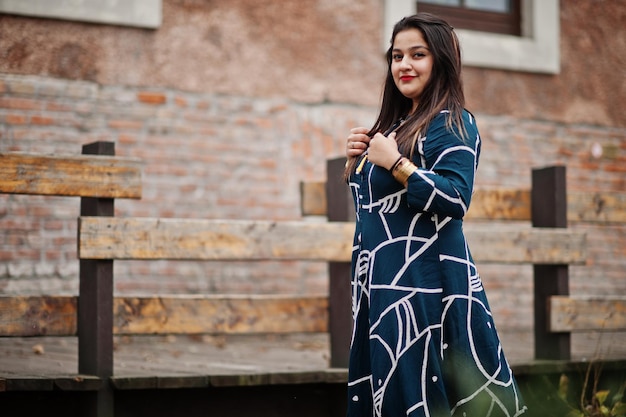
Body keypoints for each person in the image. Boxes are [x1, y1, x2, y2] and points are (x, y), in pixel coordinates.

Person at [343, 13, 527, 417]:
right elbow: (379, 210)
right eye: (396, 56)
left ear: (440, 59)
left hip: (426, 288)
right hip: (383, 285)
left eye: (417, 54)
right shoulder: (396, 127)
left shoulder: (453, 121)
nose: (404, 65)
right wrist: (359, 164)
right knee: (390, 393)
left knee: (425, 396)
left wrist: (395, 165)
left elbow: (456, 197)